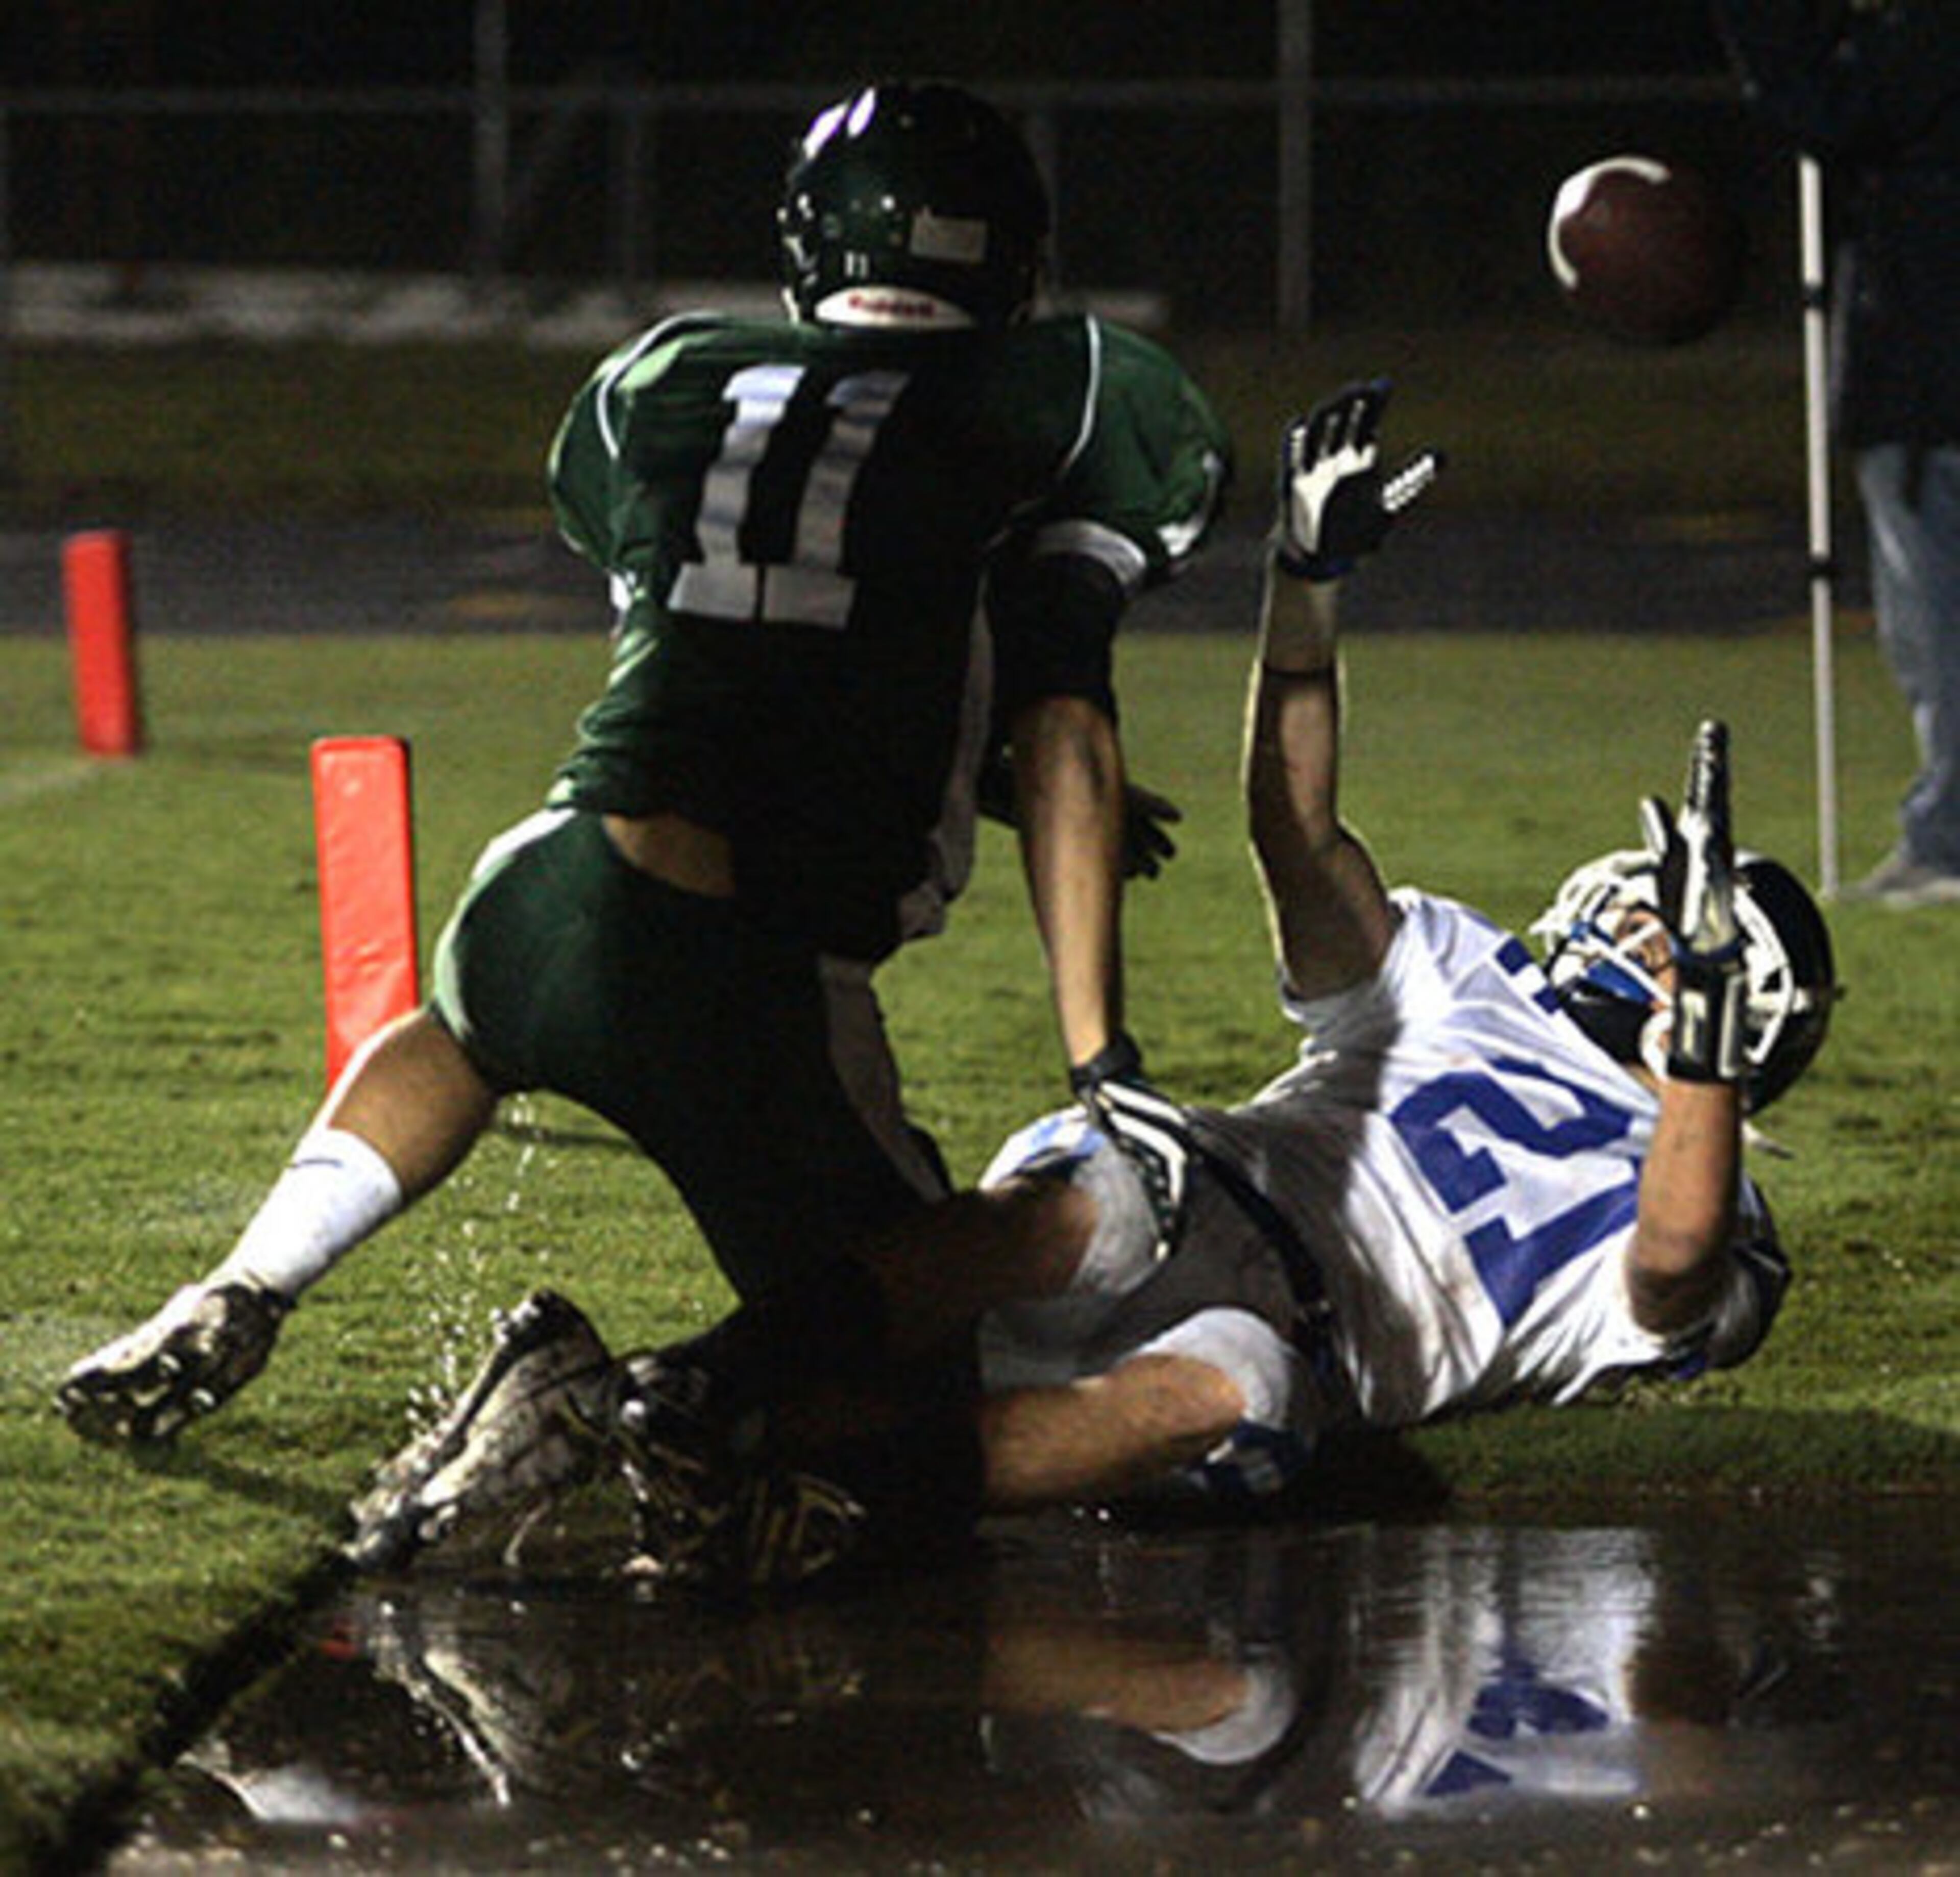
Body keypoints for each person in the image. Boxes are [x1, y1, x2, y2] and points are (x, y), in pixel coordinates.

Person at [339, 384, 1837, 1593]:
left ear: (1744, 1021)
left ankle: (722, 1462)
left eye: (1684, 938)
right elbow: (1296, 834)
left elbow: (1669, 1263)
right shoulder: (1466, 971)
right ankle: (705, 1380)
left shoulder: (1708, 1187)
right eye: (1657, 914)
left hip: (1309, 1346)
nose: (1647, 932)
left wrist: (1690, 1044)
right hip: (1206, 1195)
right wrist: (1303, 586)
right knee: (1116, 1192)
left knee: (1231, 1393)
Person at [55, 80, 1230, 1448]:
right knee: (915, 1367)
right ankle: (588, 1400)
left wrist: (973, 765)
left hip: (547, 888)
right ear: (1014, 253)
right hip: (750, 968)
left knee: (462, 1029)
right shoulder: (1070, 392)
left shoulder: (662, 375)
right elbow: (1068, 722)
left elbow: (763, 641)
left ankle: (246, 1282)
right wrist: (1106, 1057)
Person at [1715, 0, 1960, 906]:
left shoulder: (1927, 36)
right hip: (1925, 357)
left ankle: (1952, 838)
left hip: (1933, 361)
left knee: (1938, 615)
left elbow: (1832, 113)